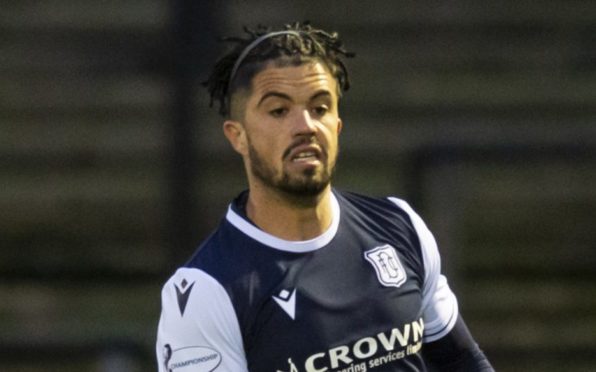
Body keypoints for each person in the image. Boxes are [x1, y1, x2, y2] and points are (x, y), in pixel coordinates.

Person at [156, 22, 494, 372]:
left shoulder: (399, 226)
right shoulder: (205, 292)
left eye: (320, 108)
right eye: (278, 111)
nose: (305, 126)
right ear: (237, 136)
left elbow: (461, 361)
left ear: (337, 125)